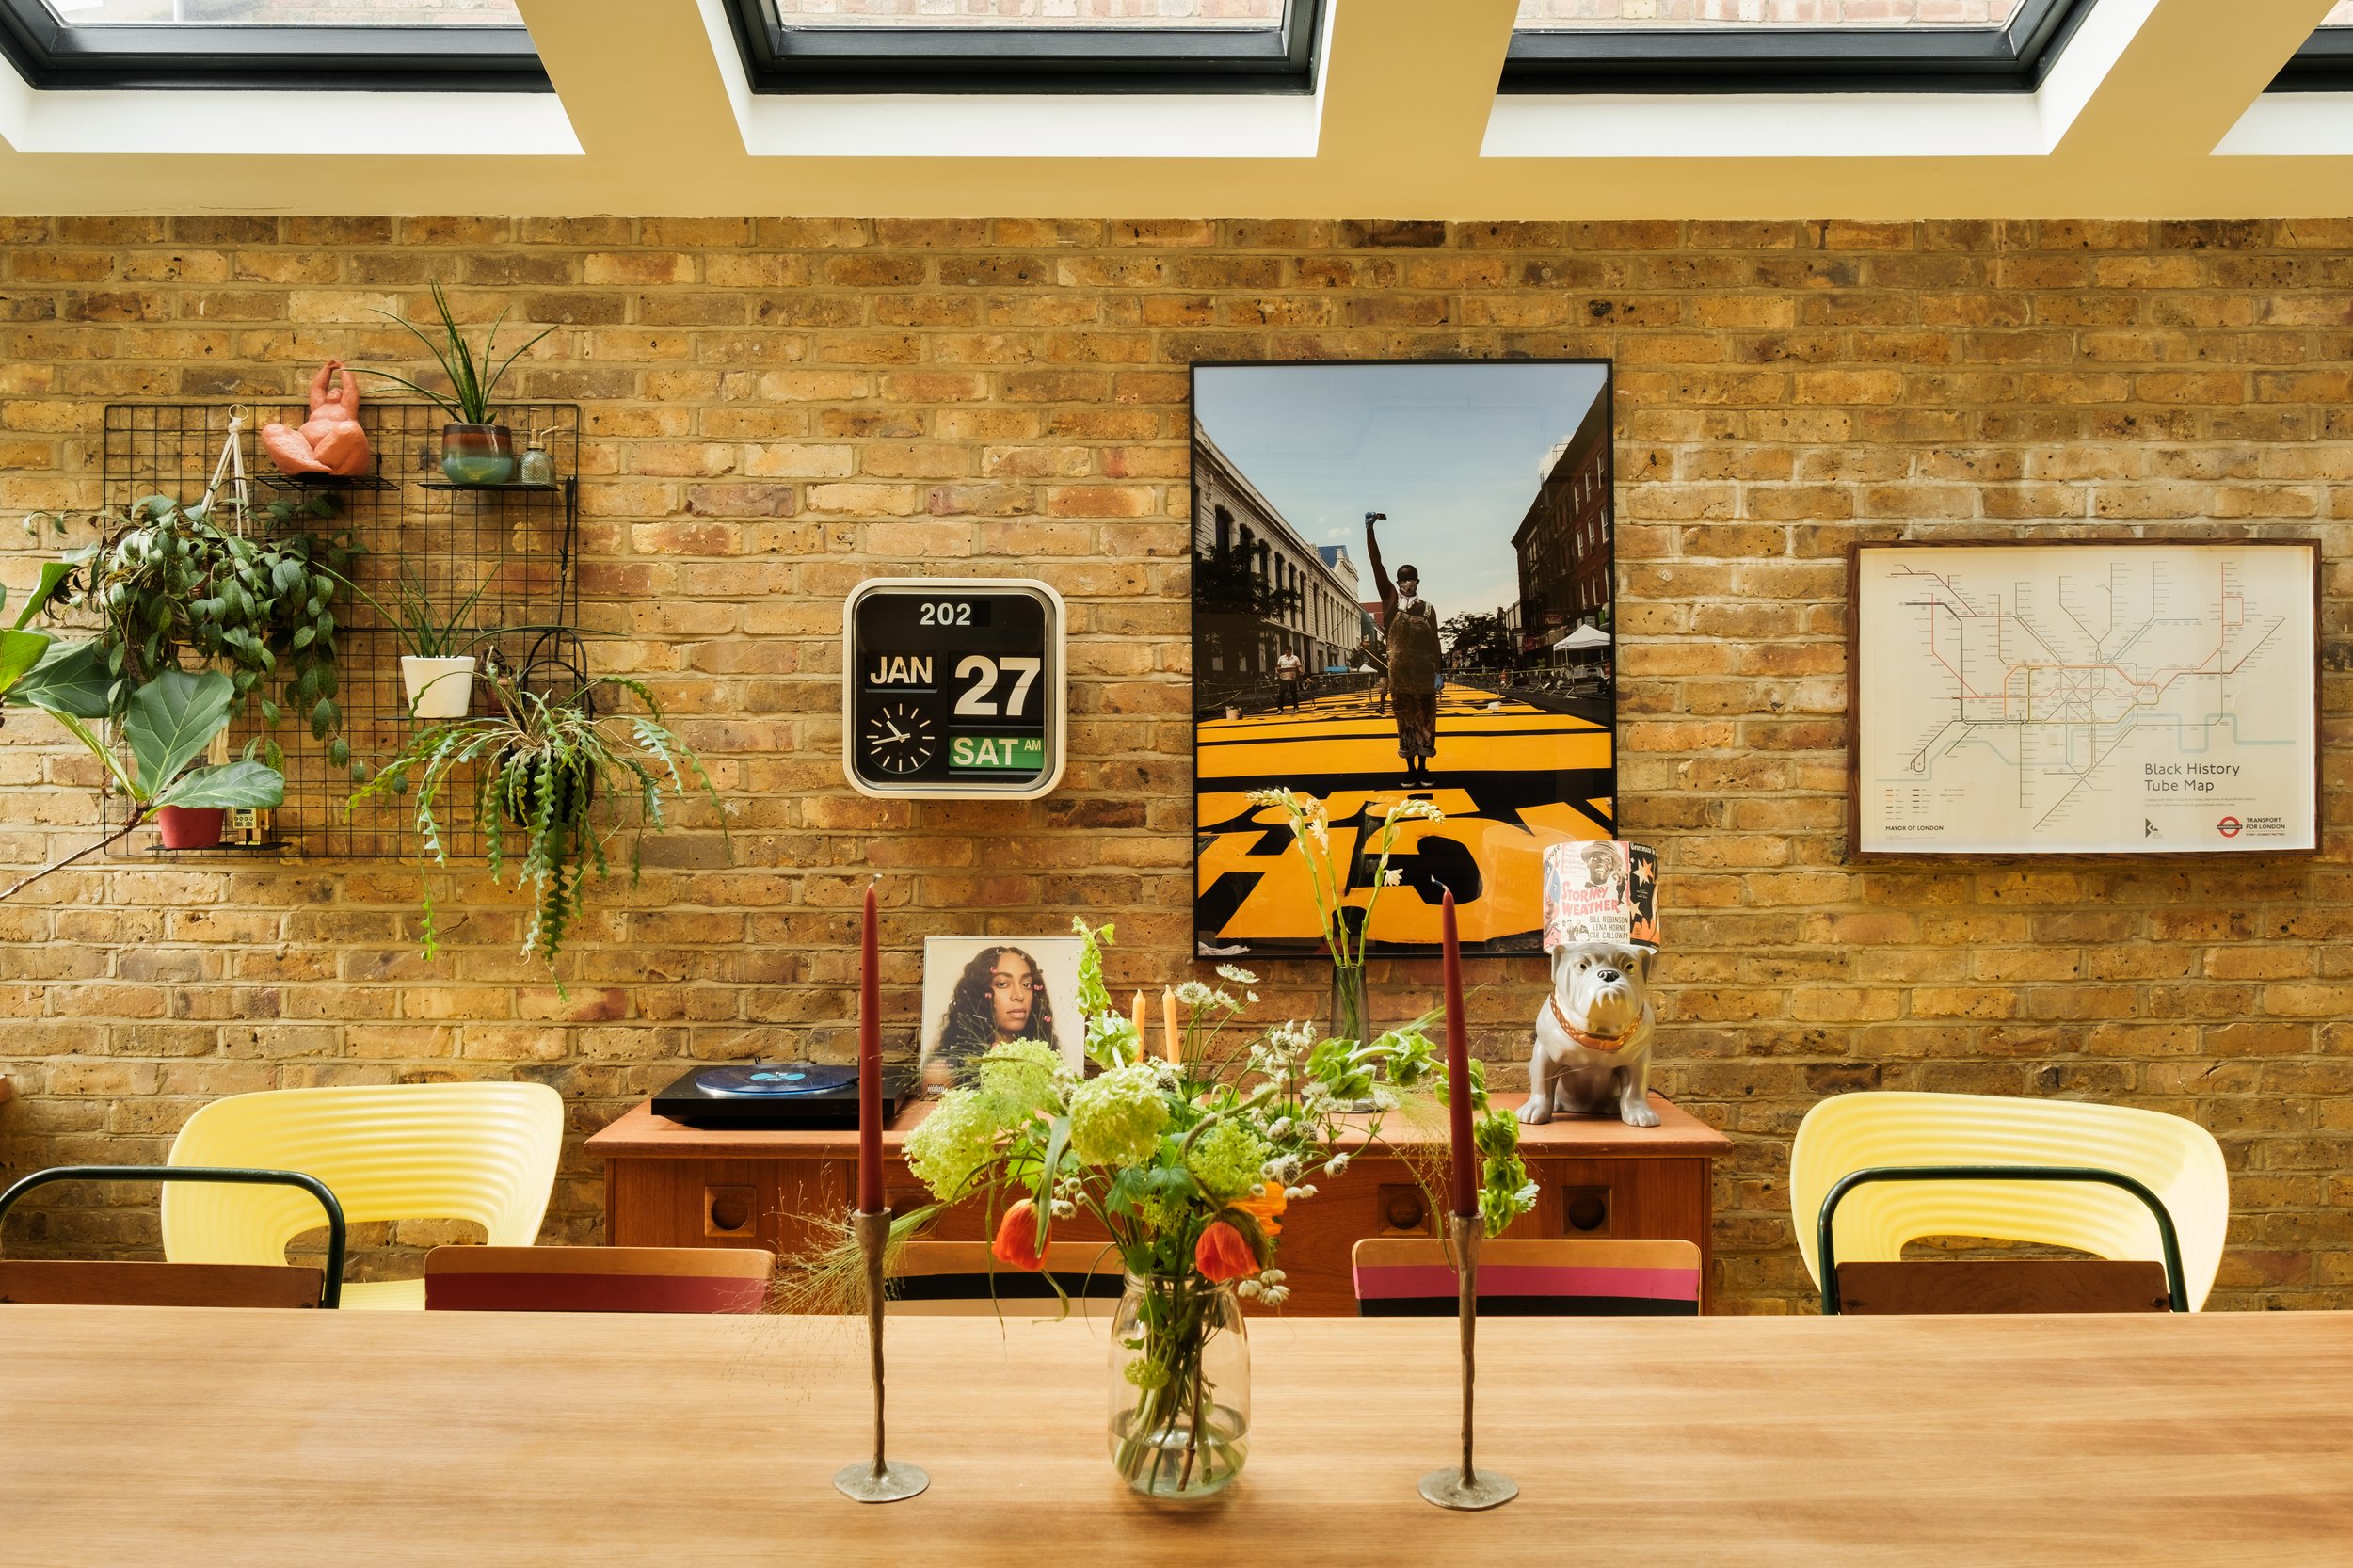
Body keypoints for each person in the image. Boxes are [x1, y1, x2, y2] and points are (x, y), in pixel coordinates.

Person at [1364, 511, 1440, 785]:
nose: (1408, 583)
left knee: (1426, 722)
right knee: (1405, 722)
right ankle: (1409, 768)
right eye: (1403, 580)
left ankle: (1423, 768)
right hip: (1400, 678)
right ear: (1397, 584)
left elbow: (1436, 644)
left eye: (1412, 580)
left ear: (1418, 582)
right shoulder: (1390, 601)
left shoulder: (1428, 608)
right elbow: (1376, 564)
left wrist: (1438, 673)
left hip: (1424, 676)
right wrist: (1369, 531)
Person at [931, 945, 1060, 1066]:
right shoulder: (944, 1069)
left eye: (1026, 985)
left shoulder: (1049, 1066)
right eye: (1002, 984)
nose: (1019, 995)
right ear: (979, 992)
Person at [1274, 648, 1304, 712]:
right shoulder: (1281, 658)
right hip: (1283, 677)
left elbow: (1299, 666)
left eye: (1288, 651)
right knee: (1281, 693)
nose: (1287, 652)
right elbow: (1278, 666)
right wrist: (1277, 671)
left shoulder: (1295, 658)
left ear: (1291, 651)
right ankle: (1280, 708)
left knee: (1293, 693)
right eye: (1286, 651)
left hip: (1292, 677)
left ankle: (1296, 707)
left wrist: (1301, 671)